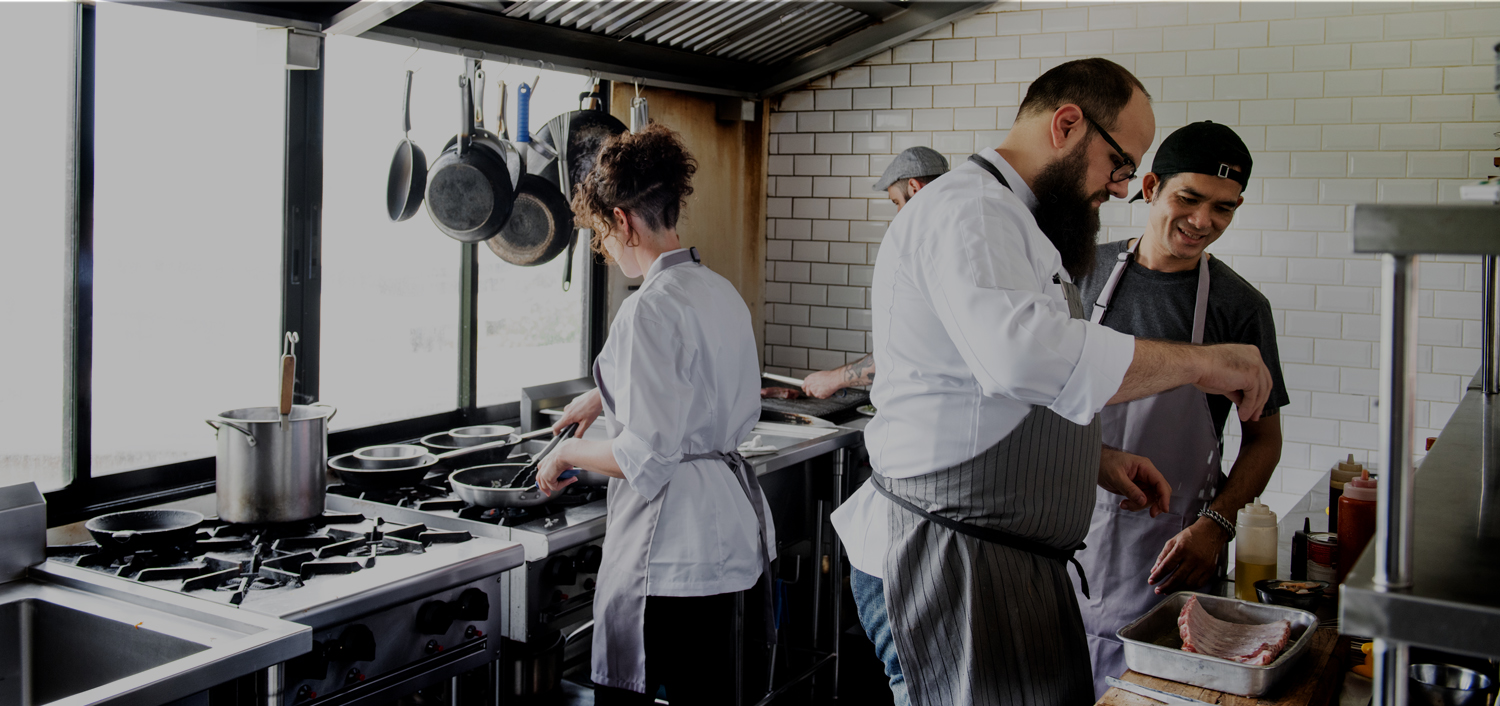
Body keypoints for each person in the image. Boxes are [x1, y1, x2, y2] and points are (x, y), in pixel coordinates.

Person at [829, 58, 1275, 706]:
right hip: (950, 557)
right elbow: (1024, 358)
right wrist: (1202, 363)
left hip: (997, 561)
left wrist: (1092, 458)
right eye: (1119, 165)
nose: (1120, 189)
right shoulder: (971, 210)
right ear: (1067, 125)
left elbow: (992, 395)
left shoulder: (1016, 223)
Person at [536, 124, 776, 706]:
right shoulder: (717, 289)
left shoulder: (646, 309)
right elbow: (692, 383)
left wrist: (566, 452)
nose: (606, 248)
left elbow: (644, 455)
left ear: (623, 221)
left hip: (670, 553)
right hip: (727, 539)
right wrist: (603, 395)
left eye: (602, 234)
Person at [1073, 121, 1289, 697]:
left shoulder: (1240, 307)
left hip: (1169, 554)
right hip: (1063, 533)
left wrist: (1216, 527)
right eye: (1188, 199)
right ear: (1150, 188)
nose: (1202, 221)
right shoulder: (1078, 273)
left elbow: (1265, 439)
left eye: (1224, 208)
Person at [802, 146, 949, 399]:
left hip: (928, 406)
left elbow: (904, 349)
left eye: (896, 202)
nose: (898, 214)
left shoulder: (922, 251)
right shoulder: (955, 239)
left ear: (914, 188)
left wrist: (834, 379)